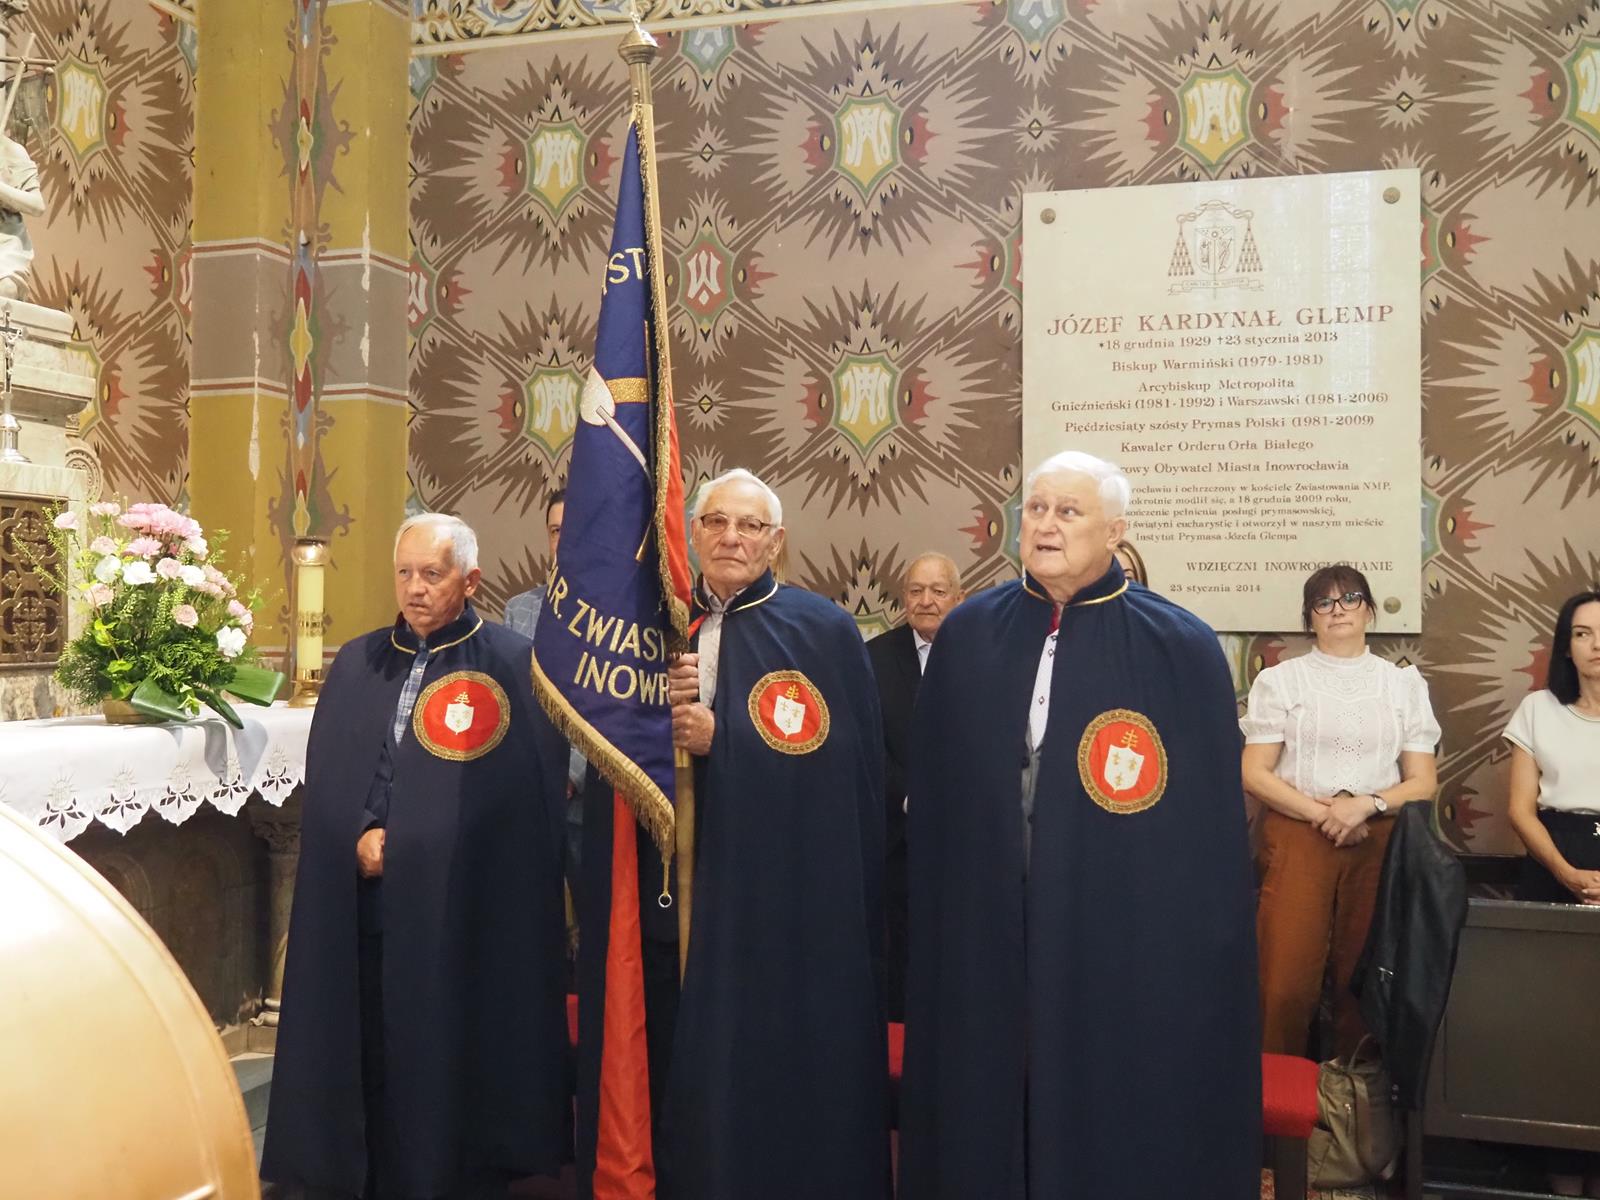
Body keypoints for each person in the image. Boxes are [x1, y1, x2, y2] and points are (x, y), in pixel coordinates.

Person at [900, 450, 1259, 1200]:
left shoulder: (1180, 647)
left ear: (1116, 530)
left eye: (1069, 512)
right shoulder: (969, 634)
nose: (1046, 525)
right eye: (1036, 509)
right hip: (988, 923)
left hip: (1117, 932)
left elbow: (1205, 834)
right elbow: (934, 790)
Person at [262, 513, 571, 1200]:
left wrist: (422, 844)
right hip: (366, 893)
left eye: (432, 574)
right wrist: (360, 831)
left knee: (444, 1043)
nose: (415, 588)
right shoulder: (359, 662)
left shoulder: (513, 665)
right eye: (404, 573)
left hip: (460, 905)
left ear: (471, 579)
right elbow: (335, 773)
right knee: (367, 1033)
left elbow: (520, 801)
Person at [661, 467, 887, 1200]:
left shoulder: (820, 629)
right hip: (683, 882)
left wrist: (722, 741)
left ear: (776, 540)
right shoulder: (663, 626)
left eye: (749, 526)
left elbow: (841, 769)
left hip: (786, 890)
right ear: (693, 534)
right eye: (716, 522)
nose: (731, 537)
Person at [1242, 565, 1441, 1059]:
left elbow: (1423, 782)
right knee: (1285, 982)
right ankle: (1276, 1096)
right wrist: (1325, 814)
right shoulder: (1281, 681)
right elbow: (1254, 773)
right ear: (1309, 617)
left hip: (1377, 839)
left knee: (1364, 980)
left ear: (1369, 610)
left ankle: (1353, 1094)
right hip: (1297, 835)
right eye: (1324, 603)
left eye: (1350, 599)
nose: (1338, 610)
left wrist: (1364, 807)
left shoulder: (1402, 685)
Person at [866, 551, 964, 1021]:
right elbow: (865, 746)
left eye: (938, 591)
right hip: (895, 842)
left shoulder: (985, 658)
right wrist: (908, 797)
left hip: (967, 842)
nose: (926, 601)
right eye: (916, 591)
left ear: (959, 598)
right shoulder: (873, 659)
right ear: (903, 599)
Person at [1505, 589, 1600, 904]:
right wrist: (1566, 873)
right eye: (1582, 634)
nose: (1597, 644)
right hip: (1552, 856)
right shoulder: (1537, 708)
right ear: (1566, 648)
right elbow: (1520, 811)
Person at [503, 488, 565, 636]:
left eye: (573, 529)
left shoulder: (616, 612)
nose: (563, 540)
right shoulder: (517, 610)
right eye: (556, 531)